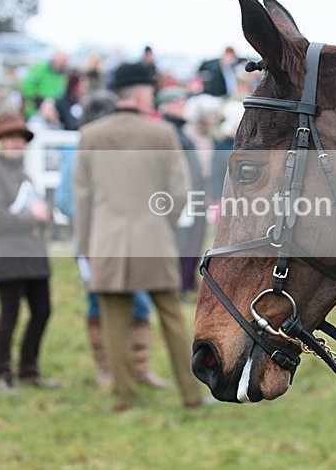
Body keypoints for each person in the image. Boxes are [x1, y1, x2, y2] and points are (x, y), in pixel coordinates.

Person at [74, 63, 204, 411]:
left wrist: (85, 244)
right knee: (173, 319)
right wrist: (164, 225)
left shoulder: (90, 136)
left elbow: (82, 198)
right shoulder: (161, 135)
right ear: (143, 93)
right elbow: (179, 194)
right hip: (154, 238)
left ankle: (123, 397)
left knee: (113, 322)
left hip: (107, 241)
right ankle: (191, 395)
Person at [54, 89, 169, 388]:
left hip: (133, 239)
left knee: (141, 302)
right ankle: (107, 368)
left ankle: (139, 367)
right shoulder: (80, 152)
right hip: (98, 241)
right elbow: (67, 199)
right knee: (99, 304)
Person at [0, 113, 59, 394]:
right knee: (9, 314)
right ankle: (1, 373)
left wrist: (45, 216)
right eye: (11, 138)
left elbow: (36, 209)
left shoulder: (21, 173)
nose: (17, 143)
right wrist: (33, 219)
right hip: (7, 256)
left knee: (41, 312)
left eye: (20, 138)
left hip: (32, 256)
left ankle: (28, 370)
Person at [157, 86, 206, 299]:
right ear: (167, 106)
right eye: (178, 103)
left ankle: (186, 284)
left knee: (192, 242)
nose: (182, 107)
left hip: (193, 196)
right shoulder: (167, 130)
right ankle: (176, 287)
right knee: (180, 243)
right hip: (179, 197)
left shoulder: (179, 131)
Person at [20, 52, 69, 119]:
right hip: (34, 110)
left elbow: (61, 92)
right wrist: (38, 100)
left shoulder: (62, 75)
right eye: (62, 62)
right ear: (55, 59)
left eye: (64, 63)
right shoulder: (40, 68)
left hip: (51, 112)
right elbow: (26, 85)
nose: (63, 65)